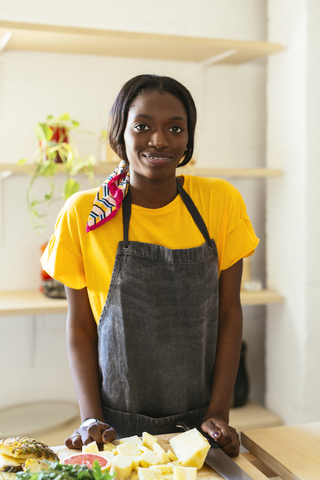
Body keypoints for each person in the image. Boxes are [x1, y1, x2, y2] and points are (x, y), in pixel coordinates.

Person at [41, 74, 259, 457]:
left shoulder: (220, 202)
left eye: (175, 128)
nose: (159, 140)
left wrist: (219, 415)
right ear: (119, 134)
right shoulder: (85, 214)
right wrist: (90, 418)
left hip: (202, 426)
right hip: (113, 430)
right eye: (142, 126)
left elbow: (229, 313)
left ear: (188, 139)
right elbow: (80, 326)